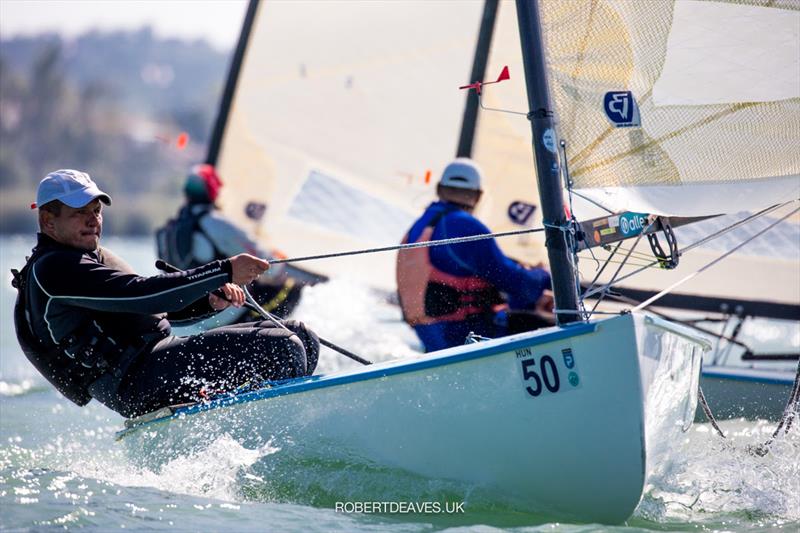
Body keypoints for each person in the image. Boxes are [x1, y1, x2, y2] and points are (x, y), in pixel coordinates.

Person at [12, 169, 320, 419]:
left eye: (96, 210)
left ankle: (271, 426)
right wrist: (225, 270)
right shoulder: (54, 269)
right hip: (136, 380)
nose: (94, 220)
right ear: (48, 221)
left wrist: (207, 300)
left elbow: (151, 311)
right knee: (285, 347)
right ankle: (278, 439)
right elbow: (144, 295)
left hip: (157, 361)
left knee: (301, 336)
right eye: (80, 213)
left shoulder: (86, 257)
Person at [396, 158, 553, 352]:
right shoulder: (466, 225)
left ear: (438, 189)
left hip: (433, 339)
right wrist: (546, 275)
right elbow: (516, 282)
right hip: (463, 336)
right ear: (478, 196)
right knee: (554, 323)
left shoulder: (420, 225)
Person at [155, 163, 306, 321]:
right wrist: (281, 264)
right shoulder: (216, 224)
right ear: (213, 191)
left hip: (183, 316)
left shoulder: (167, 230)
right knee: (292, 287)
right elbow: (266, 267)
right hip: (220, 314)